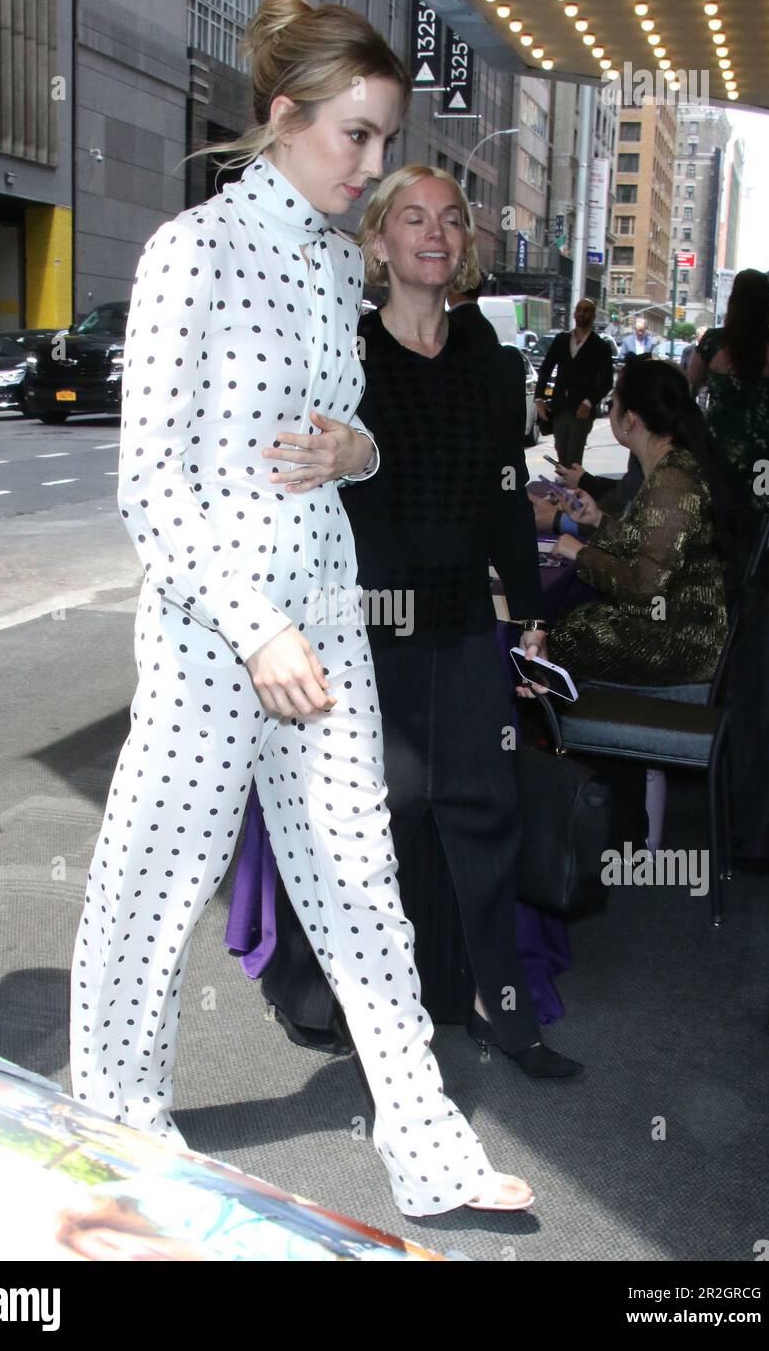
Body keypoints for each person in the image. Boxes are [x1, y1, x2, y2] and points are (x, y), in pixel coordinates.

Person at [69, 0, 534, 1217]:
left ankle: (424, 1151)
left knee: (361, 885)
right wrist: (252, 622)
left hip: (326, 607)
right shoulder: (190, 252)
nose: (372, 167)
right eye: (357, 138)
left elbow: (354, 437)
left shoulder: (337, 267)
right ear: (283, 121)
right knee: (153, 882)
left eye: (383, 139)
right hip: (214, 626)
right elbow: (148, 485)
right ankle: (116, 1120)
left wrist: (356, 454)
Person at [261, 165, 582, 1082]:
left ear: (466, 243)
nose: (434, 234)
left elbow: (506, 501)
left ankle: (496, 1006)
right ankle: (343, 1004)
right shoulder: (345, 352)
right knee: (377, 822)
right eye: (413, 218)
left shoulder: (492, 361)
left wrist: (526, 618)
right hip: (358, 629)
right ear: (379, 242)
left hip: (458, 624)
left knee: (486, 815)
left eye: (450, 220)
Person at [548, 357, 728, 687]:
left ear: (630, 420)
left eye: (613, 402)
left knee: (552, 637)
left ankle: (545, 731)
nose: (611, 409)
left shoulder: (672, 480)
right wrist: (598, 520)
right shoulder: (670, 466)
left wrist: (579, 552)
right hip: (677, 625)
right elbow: (653, 548)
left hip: (682, 642)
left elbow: (645, 586)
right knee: (567, 618)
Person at [686, 268, 769, 494]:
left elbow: (693, 377)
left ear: (734, 301)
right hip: (765, 437)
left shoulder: (713, 340)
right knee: (763, 503)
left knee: (716, 499)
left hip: (718, 434)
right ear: (768, 303)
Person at [534, 299, 614, 467]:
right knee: (561, 451)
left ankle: (572, 489)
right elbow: (546, 369)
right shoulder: (561, 340)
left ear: (593, 315)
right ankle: (564, 489)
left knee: (574, 456)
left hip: (581, 411)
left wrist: (589, 403)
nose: (581, 313)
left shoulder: (600, 346)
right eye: (578, 309)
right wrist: (539, 399)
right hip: (559, 408)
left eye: (586, 310)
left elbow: (606, 381)